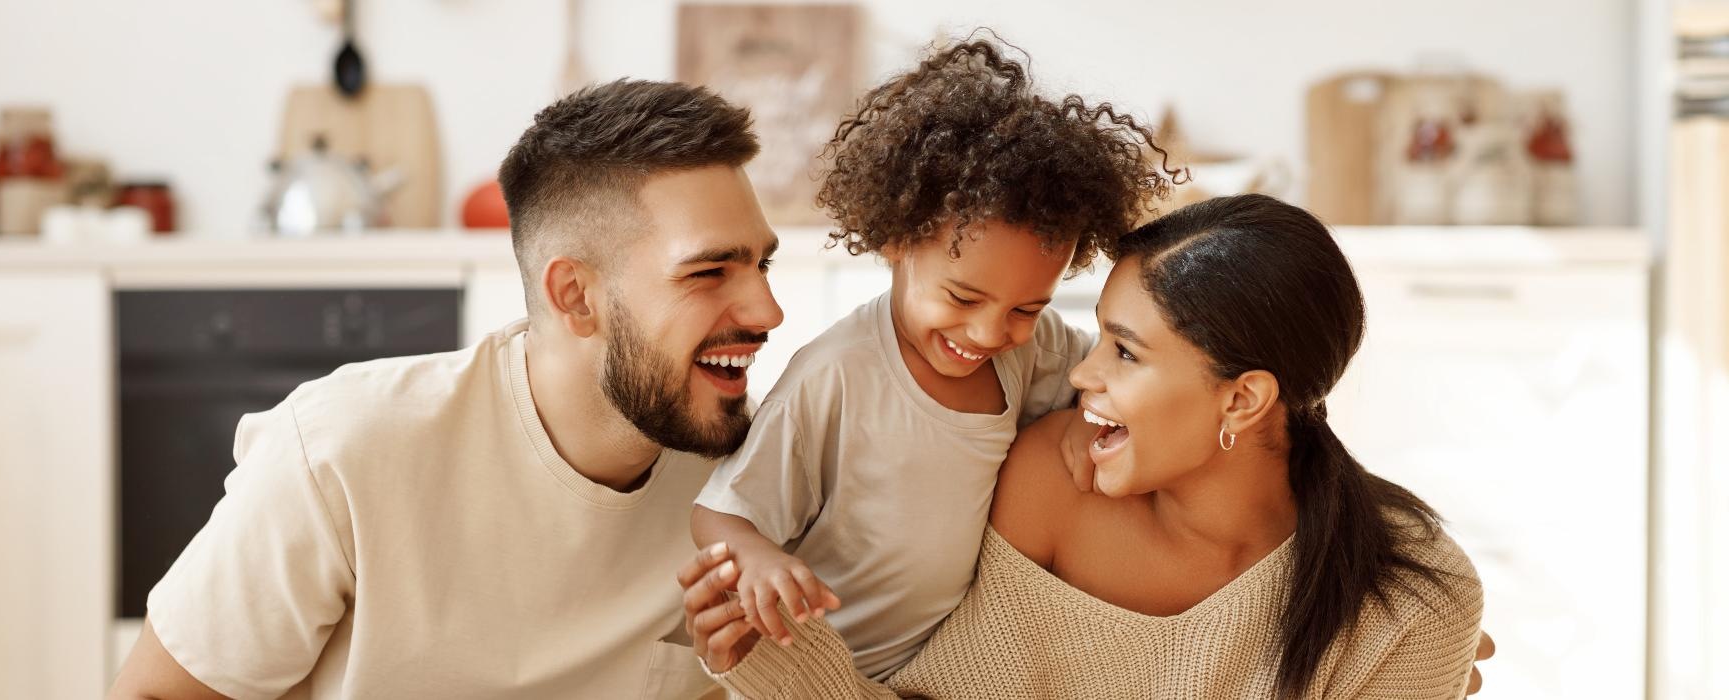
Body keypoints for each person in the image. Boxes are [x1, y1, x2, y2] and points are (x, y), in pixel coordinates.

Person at [108, 79, 781, 699]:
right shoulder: (341, 452)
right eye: (709, 271)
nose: (766, 312)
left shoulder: (754, 476)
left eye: (762, 264)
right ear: (575, 296)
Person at [683, 194, 1493, 699]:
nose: (1082, 377)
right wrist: (783, 663)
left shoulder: (1413, 600)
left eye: (1126, 354)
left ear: (1243, 399)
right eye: (1096, 339)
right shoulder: (1051, 485)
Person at [687, 37, 1175, 681]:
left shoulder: (1032, 350)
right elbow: (719, 511)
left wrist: (1092, 427)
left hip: (948, 665)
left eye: (1026, 307)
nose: (990, 331)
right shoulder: (836, 375)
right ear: (895, 240)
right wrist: (756, 559)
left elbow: (1104, 383)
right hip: (824, 668)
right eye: (962, 295)